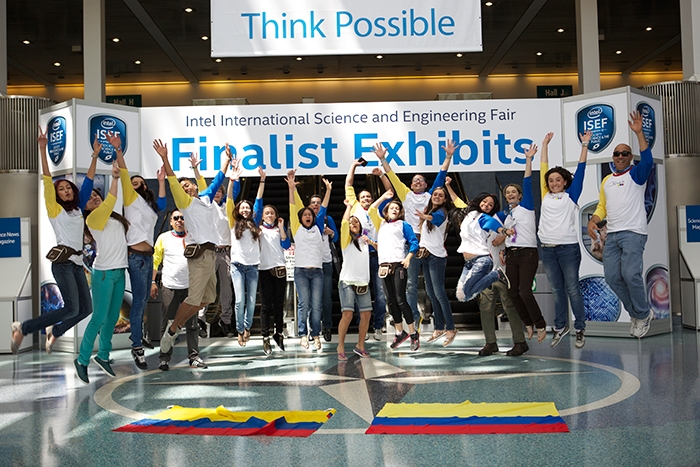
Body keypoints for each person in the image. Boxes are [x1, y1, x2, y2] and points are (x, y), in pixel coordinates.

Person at [11, 129, 96, 355]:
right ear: (57, 195)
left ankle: (55, 332)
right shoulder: (55, 209)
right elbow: (47, 181)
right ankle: (23, 328)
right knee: (71, 307)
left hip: (77, 264)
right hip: (62, 264)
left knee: (85, 309)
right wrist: (43, 148)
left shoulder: (78, 209)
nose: (66, 191)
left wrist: (95, 156)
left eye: (68, 188)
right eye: (62, 189)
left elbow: (88, 182)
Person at [153, 140, 231, 356]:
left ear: (196, 186)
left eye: (188, 184)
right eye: (182, 187)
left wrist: (227, 159)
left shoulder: (206, 198)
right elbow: (172, 180)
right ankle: (173, 329)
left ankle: (176, 323)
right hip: (199, 255)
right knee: (193, 299)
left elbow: (219, 178)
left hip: (212, 254)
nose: (185, 187)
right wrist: (164, 158)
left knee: (208, 298)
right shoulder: (185, 203)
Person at [587, 111, 655, 338]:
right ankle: (637, 313)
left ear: (630, 157)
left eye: (624, 153)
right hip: (613, 235)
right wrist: (594, 221)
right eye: (616, 153)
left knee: (631, 274)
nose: (620, 156)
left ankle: (643, 314)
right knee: (612, 278)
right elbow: (602, 207)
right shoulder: (607, 180)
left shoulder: (636, 174)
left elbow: (648, 161)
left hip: (633, 233)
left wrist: (639, 133)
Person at [374, 142, 454, 327]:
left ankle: (439, 322)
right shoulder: (406, 195)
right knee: (410, 284)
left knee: (432, 287)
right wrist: (383, 159)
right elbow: (392, 176)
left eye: (421, 180)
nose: (418, 182)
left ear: (426, 185)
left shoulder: (431, 195)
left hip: (429, 244)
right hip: (411, 243)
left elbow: (441, 175)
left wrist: (448, 157)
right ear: (411, 185)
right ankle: (414, 319)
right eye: (415, 180)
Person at [107, 133, 166, 370]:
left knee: (141, 300)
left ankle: (137, 339)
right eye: (133, 181)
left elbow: (163, 205)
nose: (135, 182)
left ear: (145, 186)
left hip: (148, 257)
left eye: (139, 181)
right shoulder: (130, 200)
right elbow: (124, 173)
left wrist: (161, 181)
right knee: (139, 301)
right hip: (136, 257)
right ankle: (137, 346)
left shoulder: (149, 207)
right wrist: (118, 150)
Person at [74, 163, 130, 384]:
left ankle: (103, 355)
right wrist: (115, 179)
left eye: (96, 194)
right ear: (85, 207)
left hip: (119, 272)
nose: (95, 197)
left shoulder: (115, 218)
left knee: (112, 317)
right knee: (98, 317)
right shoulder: (92, 219)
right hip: (104, 274)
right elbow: (111, 201)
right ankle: (82, 359)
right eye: (90, 198)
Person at [539, 131, 591, 348]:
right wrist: (544, 145)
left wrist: (585, 145)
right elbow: (543, 166)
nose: (554, 183)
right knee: (557, 291)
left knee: (572, 289)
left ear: (565, 181)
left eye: (558, 180)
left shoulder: (571, 195)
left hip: (568, 249)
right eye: (550, 180)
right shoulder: (545, 195)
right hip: (547, 249)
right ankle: (560, 327)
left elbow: (581, 170)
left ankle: (580, 328)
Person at [495, 144, 547, 343]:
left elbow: (527, 181)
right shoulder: (507, 215)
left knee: (525, 291)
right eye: (507, 193)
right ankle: (528, 323)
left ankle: (540, 323)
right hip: (512, 255)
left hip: (528, 253)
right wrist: (504, 246)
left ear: (520, 195)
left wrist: (528, 160)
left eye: (513, 192)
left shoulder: (526, 207)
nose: (510, 194)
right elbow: (491, 222)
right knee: (512, 292)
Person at [151, 210, 206, 370]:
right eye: (176, 218)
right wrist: (152, 281)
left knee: (192, 324)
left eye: (182, 218)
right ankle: (164, 358)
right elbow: (155, 260)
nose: (179, 220)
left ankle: (194, 357)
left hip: (191, 287)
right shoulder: (163, 238)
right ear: (171, 221)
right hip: (170, 286)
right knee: (168, 323)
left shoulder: (193, 237)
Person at [191, 154, 239, 338]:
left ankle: (226, 320)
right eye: (216, 190)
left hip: (226, 252)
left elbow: (234, 191)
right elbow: (202, 184)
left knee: (226, 290)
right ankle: (201, 319)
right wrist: (196, 169)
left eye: (220, 190)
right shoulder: (207, 204)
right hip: (211, 251)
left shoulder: (229, 207)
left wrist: (235, 175)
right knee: (206, 286)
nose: (217, 192)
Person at [344, 160, 392, 341]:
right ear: (358, 199)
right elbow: (349, 183)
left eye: (368, 197)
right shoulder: (355, 206)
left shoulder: (378, 210)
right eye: (363, 197)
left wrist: (381, 176)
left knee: (380, 294)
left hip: (377, 256)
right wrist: (353, 165)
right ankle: (361, 325)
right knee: (360, 290)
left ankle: (378, 325)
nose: (365, 199)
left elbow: (390, 191)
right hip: (359, 256)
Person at [286, 170, 332, 351]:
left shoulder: (318, 228)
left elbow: (324, 208)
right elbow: (292, 206)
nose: (307, 216)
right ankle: (303, 334)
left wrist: (328, 191)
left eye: (310, 214)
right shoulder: (297, 228)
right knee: (303, 305)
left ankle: (316, 334)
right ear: (300, 218)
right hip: (301, 272)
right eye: (304, 214)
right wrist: (291, 188)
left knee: (317, 305)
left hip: (318, 272)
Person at [369, 191, 420, 351]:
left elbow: (414, 242)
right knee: (390, 300)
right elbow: (371, 209)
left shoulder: (404, 225)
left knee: (400, 299)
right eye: (392, 208)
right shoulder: (381, 224)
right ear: (387, 210)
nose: (394, 210)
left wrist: (408, 257)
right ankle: (399, 332)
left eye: (397, 208)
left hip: (398, 264)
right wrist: (384, 197)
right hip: (384, 266)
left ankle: (413, 333)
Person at [477, 218, 529, 357]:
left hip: (504, 272)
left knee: (510, 307)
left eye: (489, 205)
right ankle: (490, 343)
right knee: (485, 308)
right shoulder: (477, 223)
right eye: (483, 205)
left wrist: (503, 236)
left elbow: (518, 229)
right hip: (487, 273)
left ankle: (520, 342)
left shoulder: (502, 217)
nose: (486, 207)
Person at [293, 188, 338, 342]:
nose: (316, 205)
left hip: (323, 264)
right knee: (307, 302)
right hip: (306, 266)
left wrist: (331, 232)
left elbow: (336, 237)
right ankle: (309, 330)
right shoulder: (301, 226)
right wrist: (292, 187)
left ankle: (324, 328)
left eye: (318, 202)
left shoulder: (325, 221)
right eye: (313, 203)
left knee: (323, 299)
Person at [227, 167, 264, 348]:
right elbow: (229, 200)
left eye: (247, 207)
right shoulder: (233, 222)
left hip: (253, 266)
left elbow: (259, 201)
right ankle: (240, 329)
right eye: (242, 207)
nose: (245, 209)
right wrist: (232, 181)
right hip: (237, 266)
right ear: (238, 210)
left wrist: (262, 180)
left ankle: (247, 327)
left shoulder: (255, 222)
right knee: (240, 300)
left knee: (251, 301)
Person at [416, 185, 457, 347]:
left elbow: (436, 219)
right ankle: (439, 327)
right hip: (426, 255)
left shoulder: (442, 212)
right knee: (431, 293)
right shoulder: (430, 211)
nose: (437, 197)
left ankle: (451, 327)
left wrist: (424, 216)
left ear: (445, 199)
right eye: (435, 194)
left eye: (441, 195)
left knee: (439, 293)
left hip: (436, 257)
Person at [453, 193, 509, 303]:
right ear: (479, 201)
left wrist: (504, 231)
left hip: (481, 260)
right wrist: (447, 185)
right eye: (485, 201)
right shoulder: (470, 213)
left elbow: (495, 225)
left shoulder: (485, 218)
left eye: (490, 205)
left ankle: (496, 274)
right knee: (461, 296)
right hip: (468, 263)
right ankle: (495, 275)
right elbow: (456, 200)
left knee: (465, 292)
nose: (487, 205)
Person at [336, 200, 373, 360]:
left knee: (366, 314)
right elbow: (344, 223)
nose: (353, 224)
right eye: (351, 223)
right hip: (348, 281)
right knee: (347, 314)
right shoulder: (346, 240)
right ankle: (340, 345)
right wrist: (349, 207)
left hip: (363, 282)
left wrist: (371, 242)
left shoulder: (364, 240)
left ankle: (360, 345)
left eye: (356, 222)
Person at [257, 200, 291, 355]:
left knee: (279, 304)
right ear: (262, 216)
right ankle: (265, 336)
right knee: (265, 305)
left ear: (276, 215)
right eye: (267, 213)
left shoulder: (279, 230)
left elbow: (286, 245)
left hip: (280, 269)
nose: (269, 215)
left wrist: (282, 227)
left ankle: (279, 333)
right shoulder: (258, 230)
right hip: (264, 269)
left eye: (272, 213)